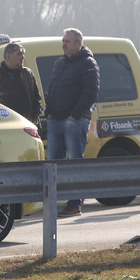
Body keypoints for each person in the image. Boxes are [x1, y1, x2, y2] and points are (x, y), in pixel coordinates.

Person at [45, 28, 100, 218]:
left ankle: (75, 203)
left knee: (75, 162)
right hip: (55, 120)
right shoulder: (60, 62)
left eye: (67, 41)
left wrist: (75, 116)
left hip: (74, 121)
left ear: (78, 43)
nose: (64, 43)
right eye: (63, 40)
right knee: (53, 163)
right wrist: (49, 112)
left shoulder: (87, 63)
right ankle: (52, 201)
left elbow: (91, 92)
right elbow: (51, 87)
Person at [0, 42, 43, 125]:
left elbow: (36, 99)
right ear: (8, 56)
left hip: (25, 125)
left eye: (23, 54)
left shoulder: (27, 74)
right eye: (19, 54)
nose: (22, 57)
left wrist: (33, 120)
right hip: (2, 125)